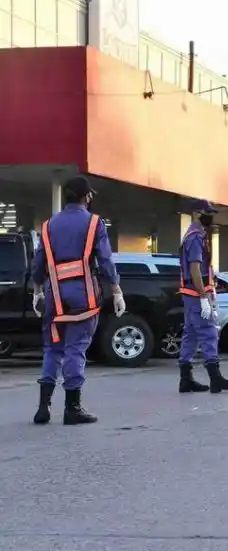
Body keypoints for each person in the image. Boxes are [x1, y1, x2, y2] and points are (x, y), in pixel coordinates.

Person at [31, 176, 125, 425]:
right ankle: (72, 408)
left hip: (54, 297)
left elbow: (39, 263)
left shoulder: (48, 225)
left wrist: (37, 290)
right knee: (75, 348)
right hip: (84, 296)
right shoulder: (94, 223)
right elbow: (105, 260)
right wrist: (116, 289)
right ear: (87, 196)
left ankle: (43, 407)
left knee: (52, 348)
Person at [177, 199, 228, 394]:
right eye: (208, 212)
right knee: (209, 332)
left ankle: (185, 380)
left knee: (191, 334)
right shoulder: (195, 237)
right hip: (196, 294)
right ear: (197, 213)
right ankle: (215, 378)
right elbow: (195, 270)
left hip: (190, 294)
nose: (211, 217)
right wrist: (204, 297)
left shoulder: (193, 235)